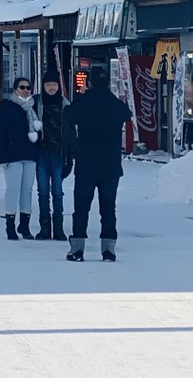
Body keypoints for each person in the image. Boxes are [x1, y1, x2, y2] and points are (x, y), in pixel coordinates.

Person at [63, 66, 130, 262]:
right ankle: (108, 249)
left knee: (81, 207)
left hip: (86, 163)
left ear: (89, 83)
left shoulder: (84, 103)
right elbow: (126, 114)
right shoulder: (115, 104)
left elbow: (69, 114)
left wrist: (82, 96)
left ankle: (77, 249)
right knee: (108, 207)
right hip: (110, 164)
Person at [0, 76, 39, 240]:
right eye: (22, 87)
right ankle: (10, 225)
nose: (25, 90)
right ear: (15, 89)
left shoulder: (33, 108)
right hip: (12, 156)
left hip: (30, 154)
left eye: (28, 88)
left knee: (27, 190)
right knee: (13, 189)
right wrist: (1, 156)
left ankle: (25, 225)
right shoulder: (7, 107)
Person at [33, 72, 67, 239]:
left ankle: (59, 229)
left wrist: (70, 157)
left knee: (58, 192)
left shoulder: (64, 104)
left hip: (59, 154)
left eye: (54, 84)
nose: (52, 88)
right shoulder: (36, 103)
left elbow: (70, 132)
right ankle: (45, 228)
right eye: (48, 85)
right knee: (43, 191)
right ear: (43, 86)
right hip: (41, 153)